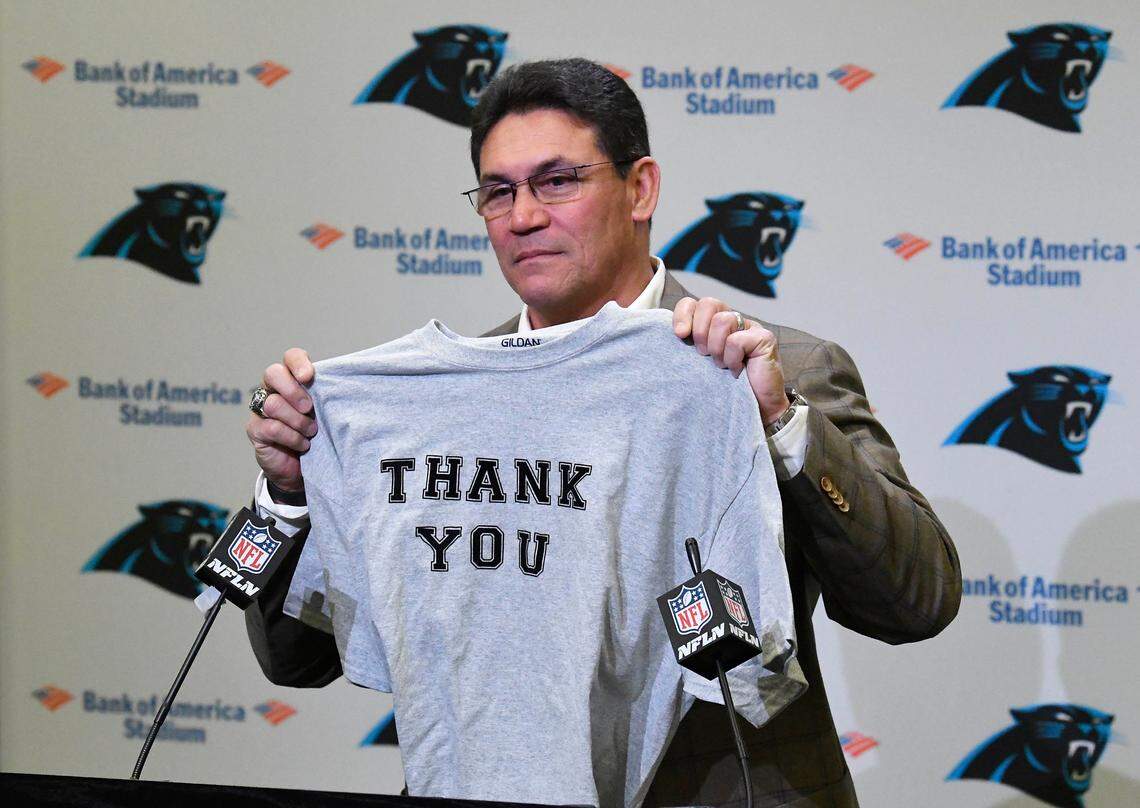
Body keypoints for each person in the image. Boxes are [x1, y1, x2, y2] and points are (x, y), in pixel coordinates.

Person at [244, 58, 961, 807]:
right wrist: (289, 494)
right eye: (499, 191)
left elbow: (917, 603)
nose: (523, 216)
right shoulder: (437, 404)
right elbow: (296, 661)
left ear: (641, 187)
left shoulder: (774, 370)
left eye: (558, 181)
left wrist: (781, 423)